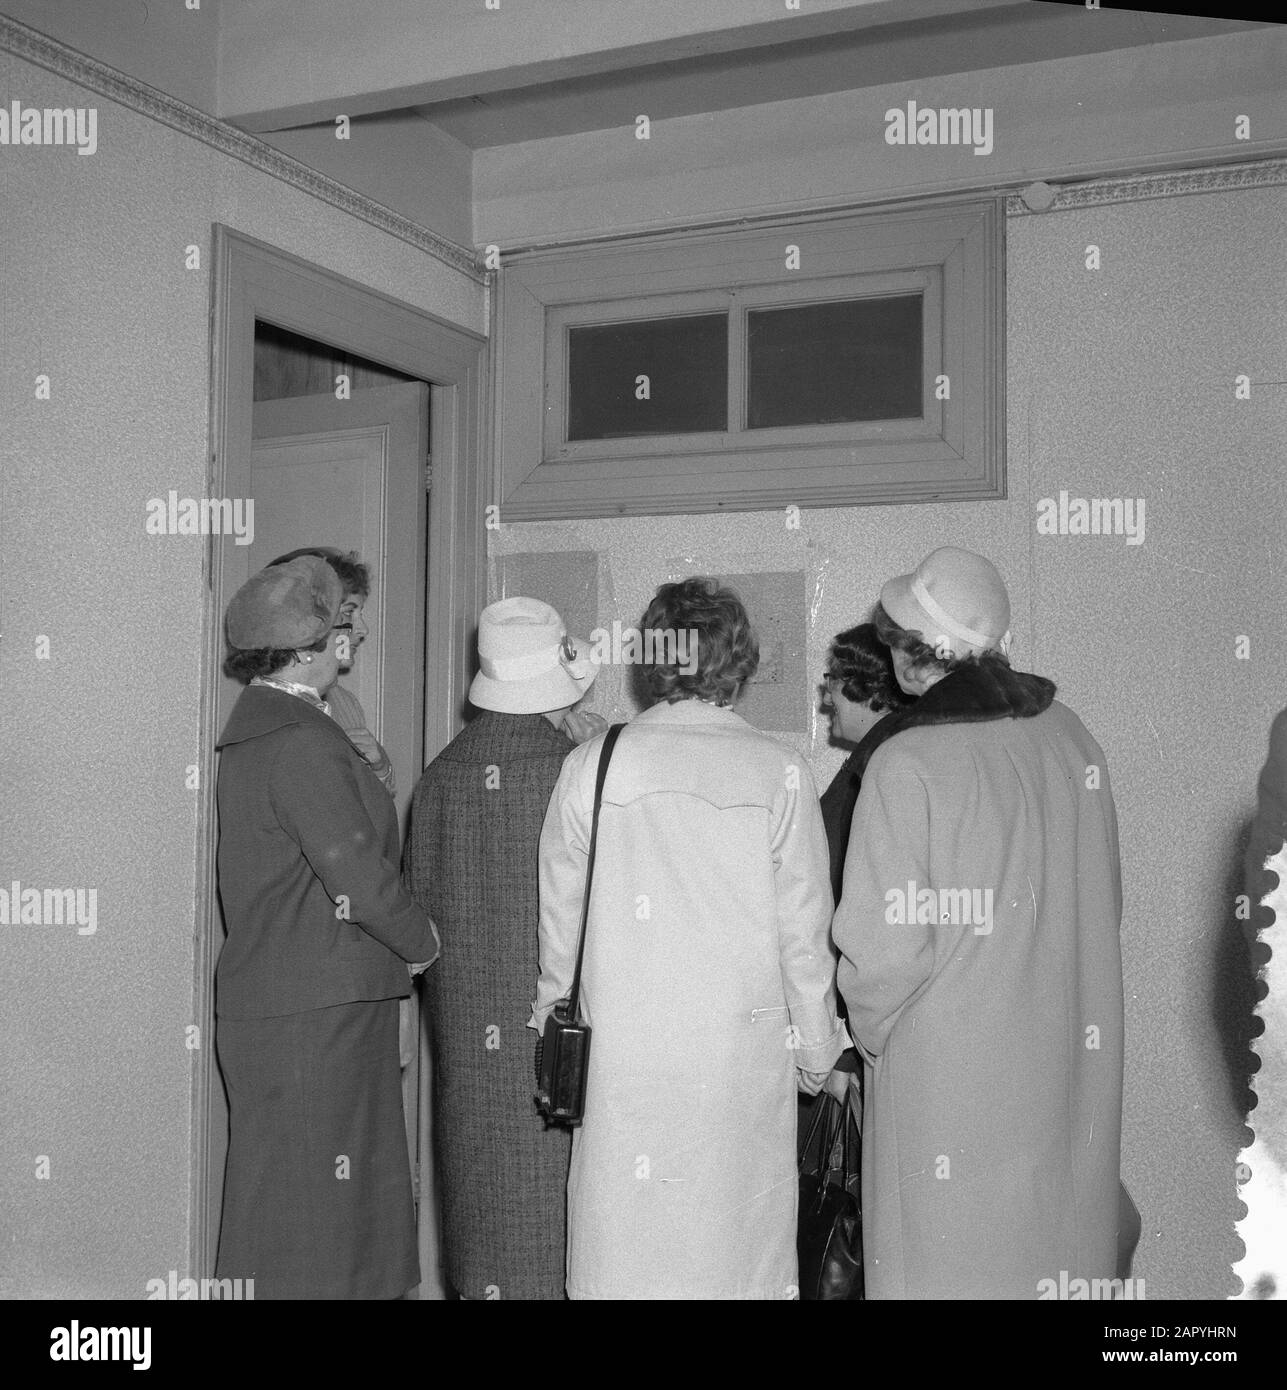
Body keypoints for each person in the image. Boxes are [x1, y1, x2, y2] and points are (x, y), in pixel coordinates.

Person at [535, 577, 848, 1300]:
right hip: (737, 1056)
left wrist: (553, 1013)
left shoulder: (592, 763)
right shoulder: (780, 772)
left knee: (626, 1250)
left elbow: (561, 920)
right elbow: (804, 936)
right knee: (731, 1251)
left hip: (624, 1055)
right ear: (738, 662)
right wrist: (816, 1051)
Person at [831, 546, 1124, 1299]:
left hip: (947, 1079)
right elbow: (1104, 899)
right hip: (1061, 1058)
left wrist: (871, 1041)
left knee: (944, 1267)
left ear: (905, 655)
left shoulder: (906, 763)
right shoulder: (1071, 736)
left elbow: (879, 955)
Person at [214, 555, 439, 1299]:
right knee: (319, 1222)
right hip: (318, 1008)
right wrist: (423, 941)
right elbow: (361, 878)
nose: (360, 632)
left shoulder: (282, 729)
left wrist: (369, 772)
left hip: (299, 1002)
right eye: (347, 620)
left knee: (298, 1212)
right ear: (309, 644)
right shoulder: (303, 739)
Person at [405, 597, 606, 1301]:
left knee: (482, 1214)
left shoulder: (439, 778)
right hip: (563, 1042)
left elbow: (419, 922)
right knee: (557, 1222)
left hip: (466, 1042)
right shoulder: (579, 774)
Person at [268, 546, 393, 793]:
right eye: (349, 613)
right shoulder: (269, 706)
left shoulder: (345, 703)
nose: (362, 630)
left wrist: (380, 769)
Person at [818, 622, 914, 905]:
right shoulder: (883, 751)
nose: (825, 697)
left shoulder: (883, 761)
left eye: (832, 679)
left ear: (868, 684)